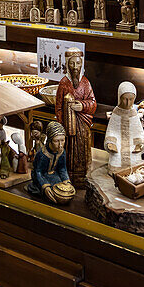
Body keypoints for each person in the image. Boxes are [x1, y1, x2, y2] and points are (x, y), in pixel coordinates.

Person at [54, 47, 96, 187]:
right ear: (67, 64)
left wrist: (82, 106)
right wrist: (61, 125)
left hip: (82, 126)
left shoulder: (85, 83)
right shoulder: (63, 83)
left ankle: (82, 177)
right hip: (68, 126)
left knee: (82, 151)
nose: (75, 67)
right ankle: (67, 176)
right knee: (68, 151)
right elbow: (58, 107)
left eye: (78, 63)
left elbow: (93, 103)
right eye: (72, 64)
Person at [26, 121, 75, 204]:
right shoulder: (42, 154)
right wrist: (45, 186)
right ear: (50, 140)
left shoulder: (61, 152)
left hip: (54, 175)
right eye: (56, 141)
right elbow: (38, 172)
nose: (60, 145)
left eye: (62, 140)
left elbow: (62, 169)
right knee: (51, 192)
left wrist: (67, 181)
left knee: (65, 191)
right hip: (41, 176)